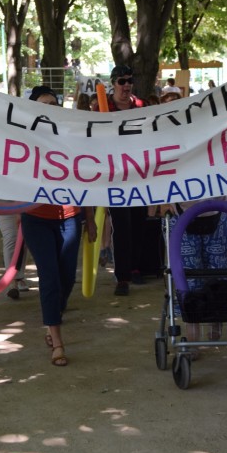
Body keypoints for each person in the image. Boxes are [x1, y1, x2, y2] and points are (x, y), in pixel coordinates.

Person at [20, 86, 95, 366]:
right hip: (36, 218)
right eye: (43, 104)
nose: (49, 107)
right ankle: (57, 339)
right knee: (49, 277)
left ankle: (53, 316)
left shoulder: (71, 140)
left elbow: (84, 180)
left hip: (69, 217)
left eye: (53, 103)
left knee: (67, 278)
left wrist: (88, 217)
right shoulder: (22, 140)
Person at [91, 65, 148, 295]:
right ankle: (122, 276)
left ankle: (136, 267)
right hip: (115, 175)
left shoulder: (142, 106)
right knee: (121, 225)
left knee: (139, 222)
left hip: (140, 174)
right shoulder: (101, 108)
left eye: (129, 81)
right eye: (122, 81)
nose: (126, 85)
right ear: (113, 83)